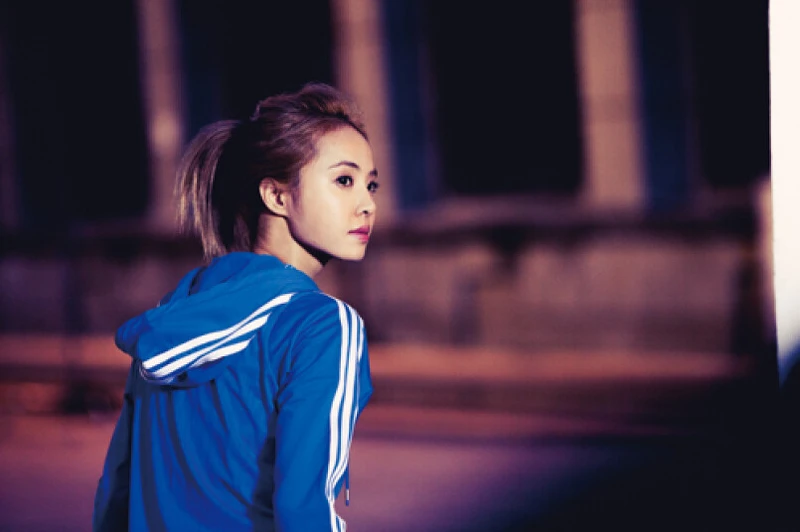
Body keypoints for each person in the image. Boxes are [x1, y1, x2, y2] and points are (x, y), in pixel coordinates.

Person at [93, 82, 378, 531]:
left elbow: (117, 491)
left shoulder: (172, 312)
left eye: (371, 184)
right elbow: (304, 509)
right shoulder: (324, 325)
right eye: (344, 180)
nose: (367, 205)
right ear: (277, 196)